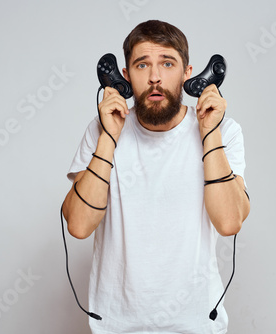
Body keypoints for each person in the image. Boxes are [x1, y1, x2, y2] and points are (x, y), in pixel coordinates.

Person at [62, 19, 250, 333]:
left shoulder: (224, 131)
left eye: (167, 63)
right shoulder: (101, 129)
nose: (154, 78)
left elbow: (230, 222)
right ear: (123, 79)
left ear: (189, 74)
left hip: (195, 324)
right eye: (141, 65)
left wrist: (208, 133)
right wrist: (109, 136)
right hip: (116, 326)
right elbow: (79, 225)